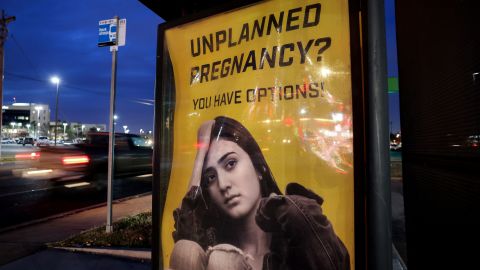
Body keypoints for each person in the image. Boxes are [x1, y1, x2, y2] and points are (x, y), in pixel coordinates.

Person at [170, 116, 350, 270]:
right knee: (189, 250)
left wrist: (283, 209)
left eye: (231, 164)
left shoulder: (292, 226)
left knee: (222, 261)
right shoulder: (213, 239)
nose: (223, 184)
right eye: (211, 178)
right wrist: (200, 153)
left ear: (259, 169)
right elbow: (186, 231)